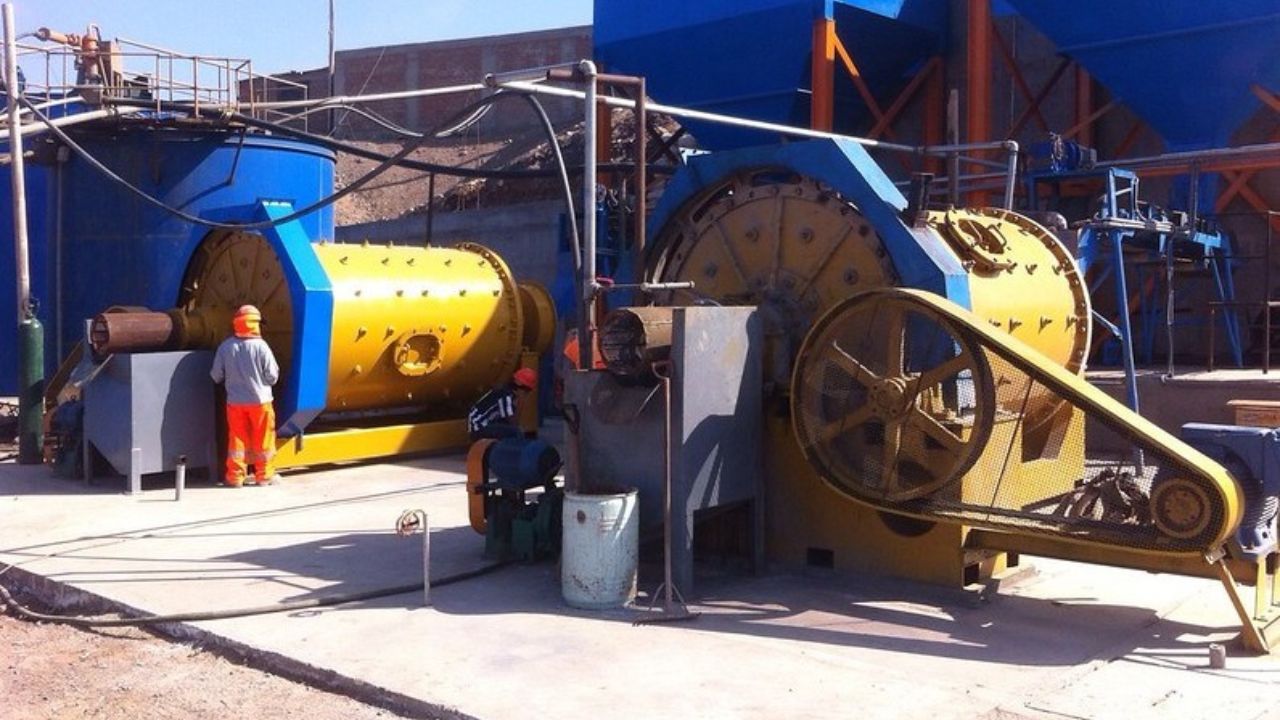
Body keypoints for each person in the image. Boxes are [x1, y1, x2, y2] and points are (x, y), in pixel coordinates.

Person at [210, 305, 281, 488]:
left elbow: (216, 376)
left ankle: (235, 478)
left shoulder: (226, 347)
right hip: (261, 402)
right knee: (264, 439)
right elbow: (272, 377)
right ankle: (264, 476)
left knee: (237, 440)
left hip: (235, 403)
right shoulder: (262, 347)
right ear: (256, 324)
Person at [468, 368, 537, 440]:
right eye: (527, 391)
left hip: (482, 423)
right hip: (479, 427)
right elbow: (513, 423)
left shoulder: (506, 390)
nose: (527, 394)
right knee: (516, 431)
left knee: (507, 427)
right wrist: (521, 400)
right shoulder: (505, 395)